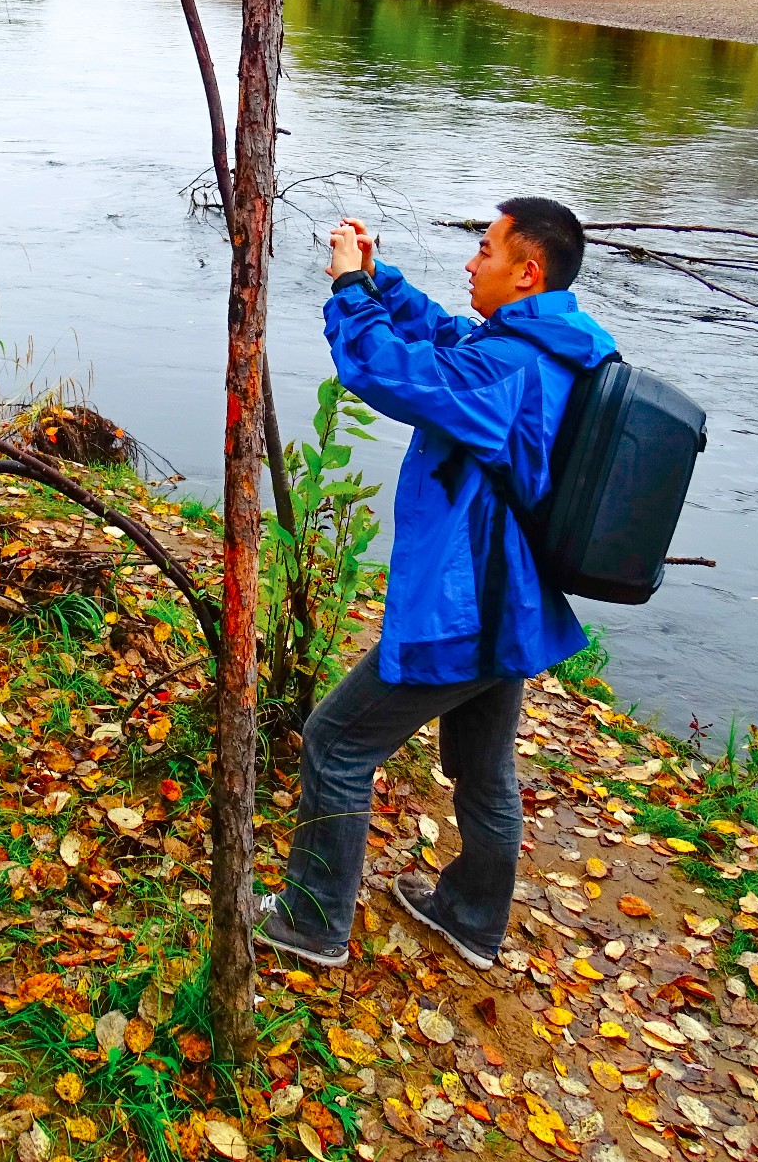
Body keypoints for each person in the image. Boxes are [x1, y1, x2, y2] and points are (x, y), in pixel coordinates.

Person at [254, 197, 617, 971]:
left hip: (470, 606)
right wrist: (381, 284)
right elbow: (446, 341)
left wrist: (350, 294)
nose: (469, 261)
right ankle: (472, 918)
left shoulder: (512, 366)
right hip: (509, 605)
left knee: (336, 741)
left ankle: (312, 921)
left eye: (484, 250)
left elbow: (391, 373)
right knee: (485, 770)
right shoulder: (544, 345)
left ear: (528, 271)